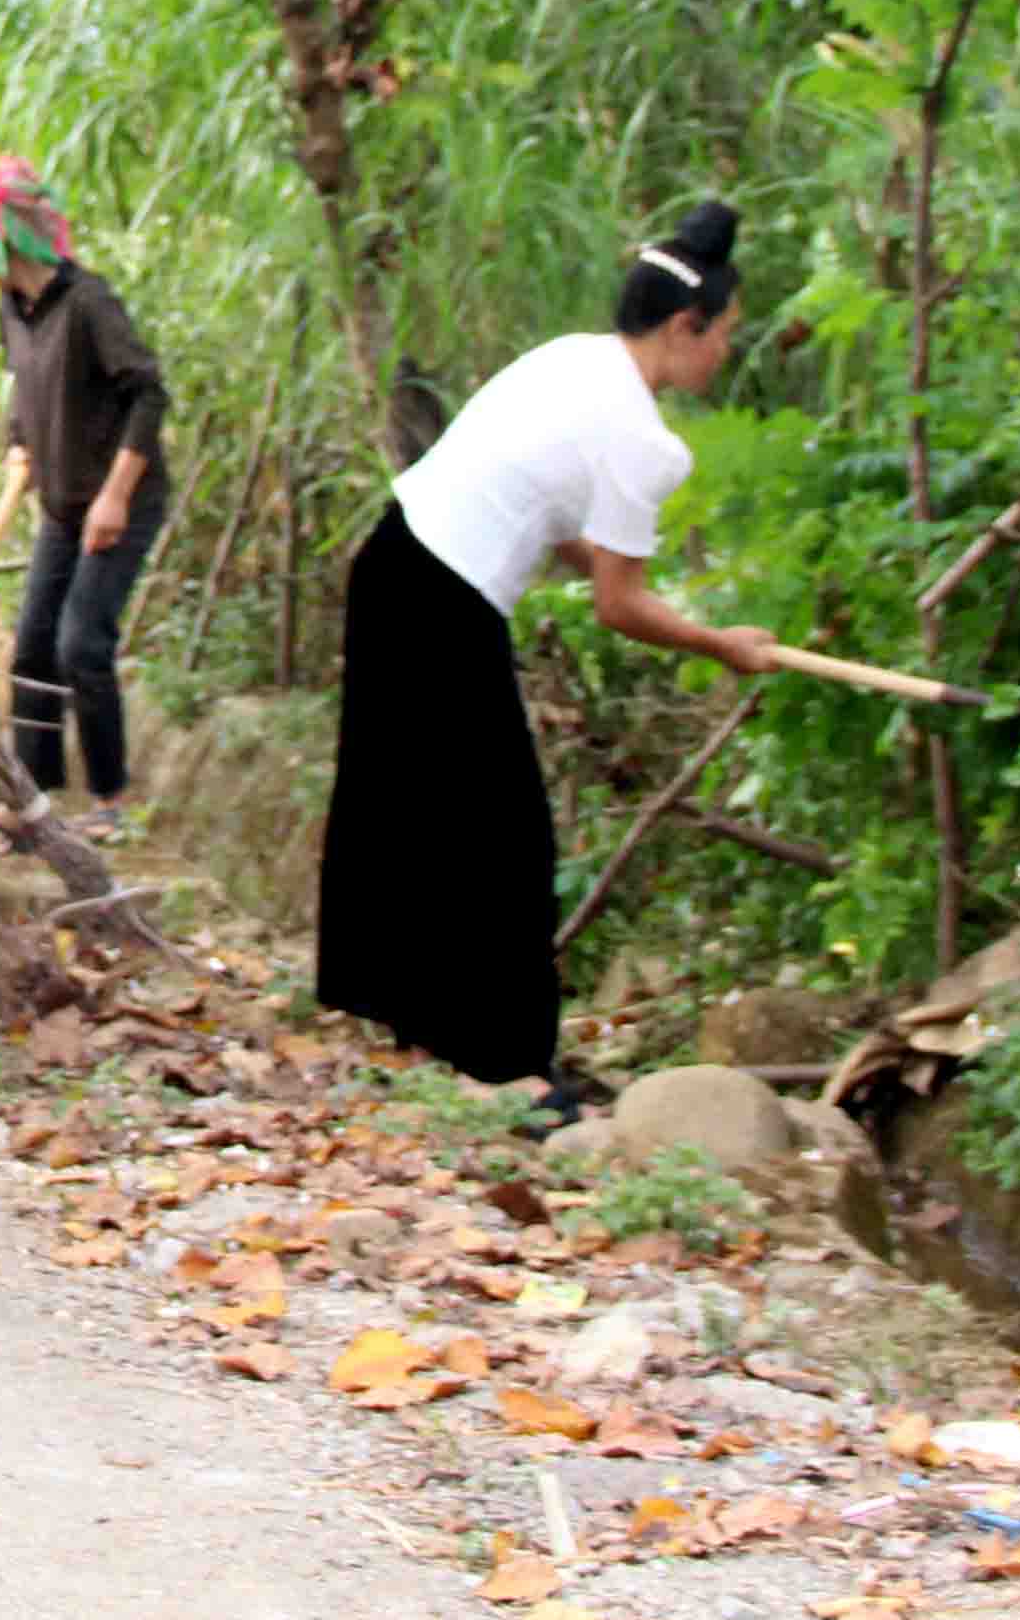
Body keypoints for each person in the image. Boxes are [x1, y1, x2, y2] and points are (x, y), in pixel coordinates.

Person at [315, 199, 780, 1116]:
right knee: (505, 832)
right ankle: (508, 1068)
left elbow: (566, 529)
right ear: (686, 326)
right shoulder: (644, 441)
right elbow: (618, 602)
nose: (726, 352)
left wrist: (670, 607)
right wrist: (720, 643)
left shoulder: (575, 360)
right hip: (444, 600)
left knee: (409, 799)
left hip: (395, 561)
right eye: (725, 333)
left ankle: (419, 1026)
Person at [0, 157, 174, 831]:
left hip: (122, 496)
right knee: (31, 648)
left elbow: (147, 394)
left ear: (9, 235)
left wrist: (114, 498)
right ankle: (36, 796)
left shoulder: (88, 302)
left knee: (82, 642)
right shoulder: (12, 308)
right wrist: (18, 440)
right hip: (60, 500)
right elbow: (25, 387)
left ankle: (109, 802)